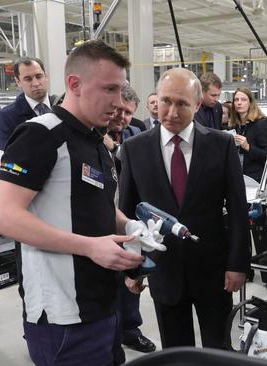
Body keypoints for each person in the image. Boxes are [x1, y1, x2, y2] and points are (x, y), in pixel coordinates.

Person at [0, 40, 144, 366]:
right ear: (74, 84)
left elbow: (98, 204)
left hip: (103, 301)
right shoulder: (40, 135)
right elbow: (5, 217)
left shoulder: (96, 141)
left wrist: (130, 225)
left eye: (121, 91)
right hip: (62, 315)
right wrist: (89, 246)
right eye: (110, 89)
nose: (118, 102)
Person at [118, 67, 250, 349]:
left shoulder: (221, 145)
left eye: (182, 104)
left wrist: (238, 264)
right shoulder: (134, 148)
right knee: (176, 351)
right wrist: (132, 269)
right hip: (163, 270)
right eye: (166, 101)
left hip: (213, 270)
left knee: (219, 348)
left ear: (198, 104)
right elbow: (127, 213)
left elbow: (239, 210)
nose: (172, 112)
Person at [101, 85, 157, 355]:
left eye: (128, 113)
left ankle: (131, 330)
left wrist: (118, 148)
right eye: (119, 110)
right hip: (102, 223)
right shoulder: (93, 136)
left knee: (132, 278)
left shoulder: (134, 133)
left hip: (130, 217)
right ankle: (111, 336)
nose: (122, 117)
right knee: (108, 285)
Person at [0, 57, 57, 150]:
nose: (36, 83)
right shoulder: (6, 117)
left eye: (39, 76)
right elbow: (8, 156)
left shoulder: (62, 106)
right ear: (18, 82)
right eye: (28, 79)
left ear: (46, 76)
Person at [230, 87, 267, 183]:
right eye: (236, 100)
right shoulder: (234, 125)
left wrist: (248, 147)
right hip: (236, 175)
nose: (239, 102)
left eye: (243, 100)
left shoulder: (262, 123)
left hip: (253, 178)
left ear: (250, 103)